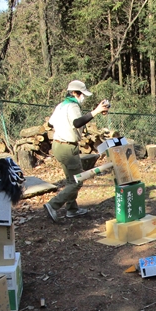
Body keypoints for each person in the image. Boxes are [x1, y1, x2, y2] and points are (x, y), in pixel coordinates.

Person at [44, 80, 110, 222]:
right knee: (77, 181)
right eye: (81, 94)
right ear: (75, 93)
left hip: (57, 145)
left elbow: (50, 123)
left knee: (71, 179)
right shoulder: (73, 105)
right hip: (67, 147)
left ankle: (72, 209)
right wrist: (96, 111)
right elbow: (77, 122)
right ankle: (52, 205)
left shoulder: (61, 105)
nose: (83, 97)